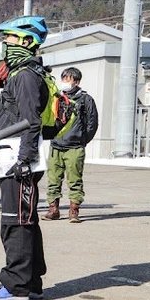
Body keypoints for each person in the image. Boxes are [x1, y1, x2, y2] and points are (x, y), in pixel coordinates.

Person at [0, 15, 50, 300]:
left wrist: (24, 159)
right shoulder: (19, 75)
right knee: (25, 218)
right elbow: (11, 119)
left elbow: (31, 122)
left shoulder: (26, 76)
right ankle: (30, 282)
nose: (4, 44)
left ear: (25, 41)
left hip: (19, 160)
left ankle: (16, 285)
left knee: (15, 221)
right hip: (13, 155)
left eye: (8, 38)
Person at [43, 67, 99, 223]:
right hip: (55, 145)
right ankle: (53, 209)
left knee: (74, 180)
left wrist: (82, 140)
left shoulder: (85, 99)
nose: (65, 82)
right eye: (64, 79)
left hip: (74, 146)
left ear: (77, 81)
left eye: (69, 79)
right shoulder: (57, 97)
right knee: (53, 179)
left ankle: (74, 211)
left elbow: (92, 123)